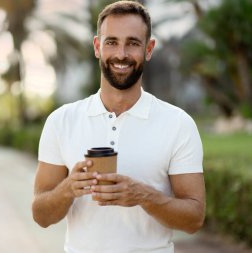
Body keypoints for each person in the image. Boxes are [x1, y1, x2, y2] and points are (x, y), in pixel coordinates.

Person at [32, 1, 205, 253]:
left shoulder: (179, 124)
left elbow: (194, 219)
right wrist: (67, 189)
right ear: (97, 47)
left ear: (149, 49)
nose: (121, 54)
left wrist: (144, 196)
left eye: (133, 43)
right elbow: (40, 215)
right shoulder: (61, 121)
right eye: (111, 42)